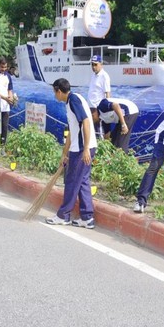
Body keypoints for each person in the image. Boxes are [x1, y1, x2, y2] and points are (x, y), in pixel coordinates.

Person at [45, 78, 97, 229]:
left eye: (54, 92)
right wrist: (64, 153)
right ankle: (87, 218)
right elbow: (72, 131)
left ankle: (64, 215)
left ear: (59, 91)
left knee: (72, 182)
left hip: (81, 149)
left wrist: (86, 148)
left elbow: (86, 122)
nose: (54, 96)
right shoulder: (73, 100)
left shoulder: (73, 101)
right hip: (81, 147)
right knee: (83, 182)